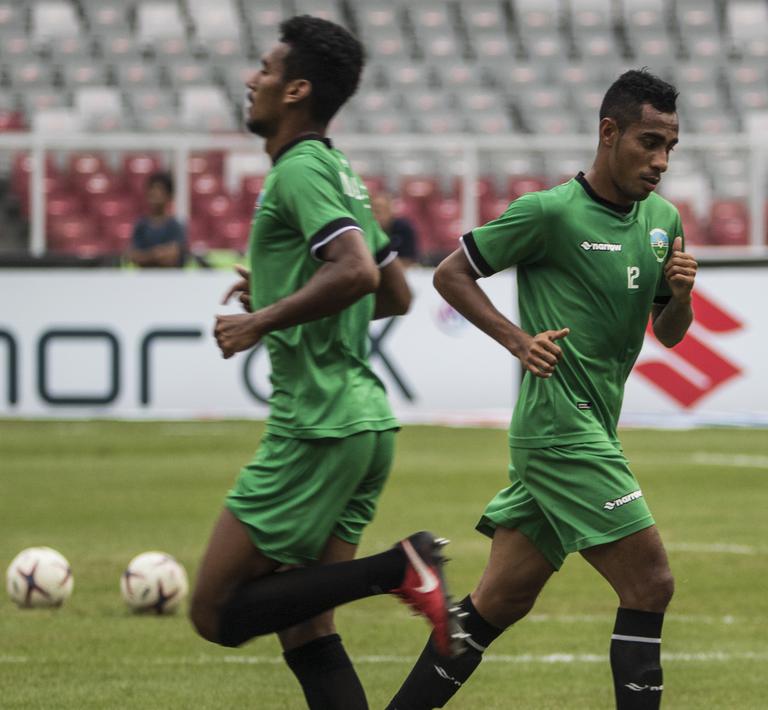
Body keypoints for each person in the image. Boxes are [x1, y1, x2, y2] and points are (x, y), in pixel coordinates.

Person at [389, 69, 696, 710]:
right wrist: (514, 338)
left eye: (671, 146)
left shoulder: (664, 220)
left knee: (498, 601)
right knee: (651, 583)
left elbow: (669, 332)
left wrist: (683, 294)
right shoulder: (551, 213)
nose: (661, 161)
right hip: (561, 430)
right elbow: (451, 275)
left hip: (585, 428)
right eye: (648, 142)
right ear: (608, 133)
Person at [189, 16, 463, 709]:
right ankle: (396, 570)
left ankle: (398, 568)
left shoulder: (300, 172)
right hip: (364, 425)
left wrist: (261, 318)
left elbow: (356, 277)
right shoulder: (339, 171)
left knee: (215, 615)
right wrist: (282, 289)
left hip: (316, 426)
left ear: (296, 90)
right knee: (306, 629)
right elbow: (395, 289)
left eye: (265, 69)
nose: (252, 79)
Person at [128, 171, 186, 267]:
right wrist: (158, 254)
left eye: (160, 190)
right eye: (152, 189)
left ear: (169, 195)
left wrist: (146, 256)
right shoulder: (141, 226)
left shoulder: (175, 226)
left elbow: (172, 257)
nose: (155, 193)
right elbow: (134, 256)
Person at [371, 191, 420, 265]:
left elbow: (408, 259)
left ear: (390, 211)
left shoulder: (403, 228)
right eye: (372, 211)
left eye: (378, 211)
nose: (374, 215)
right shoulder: (365, 229)